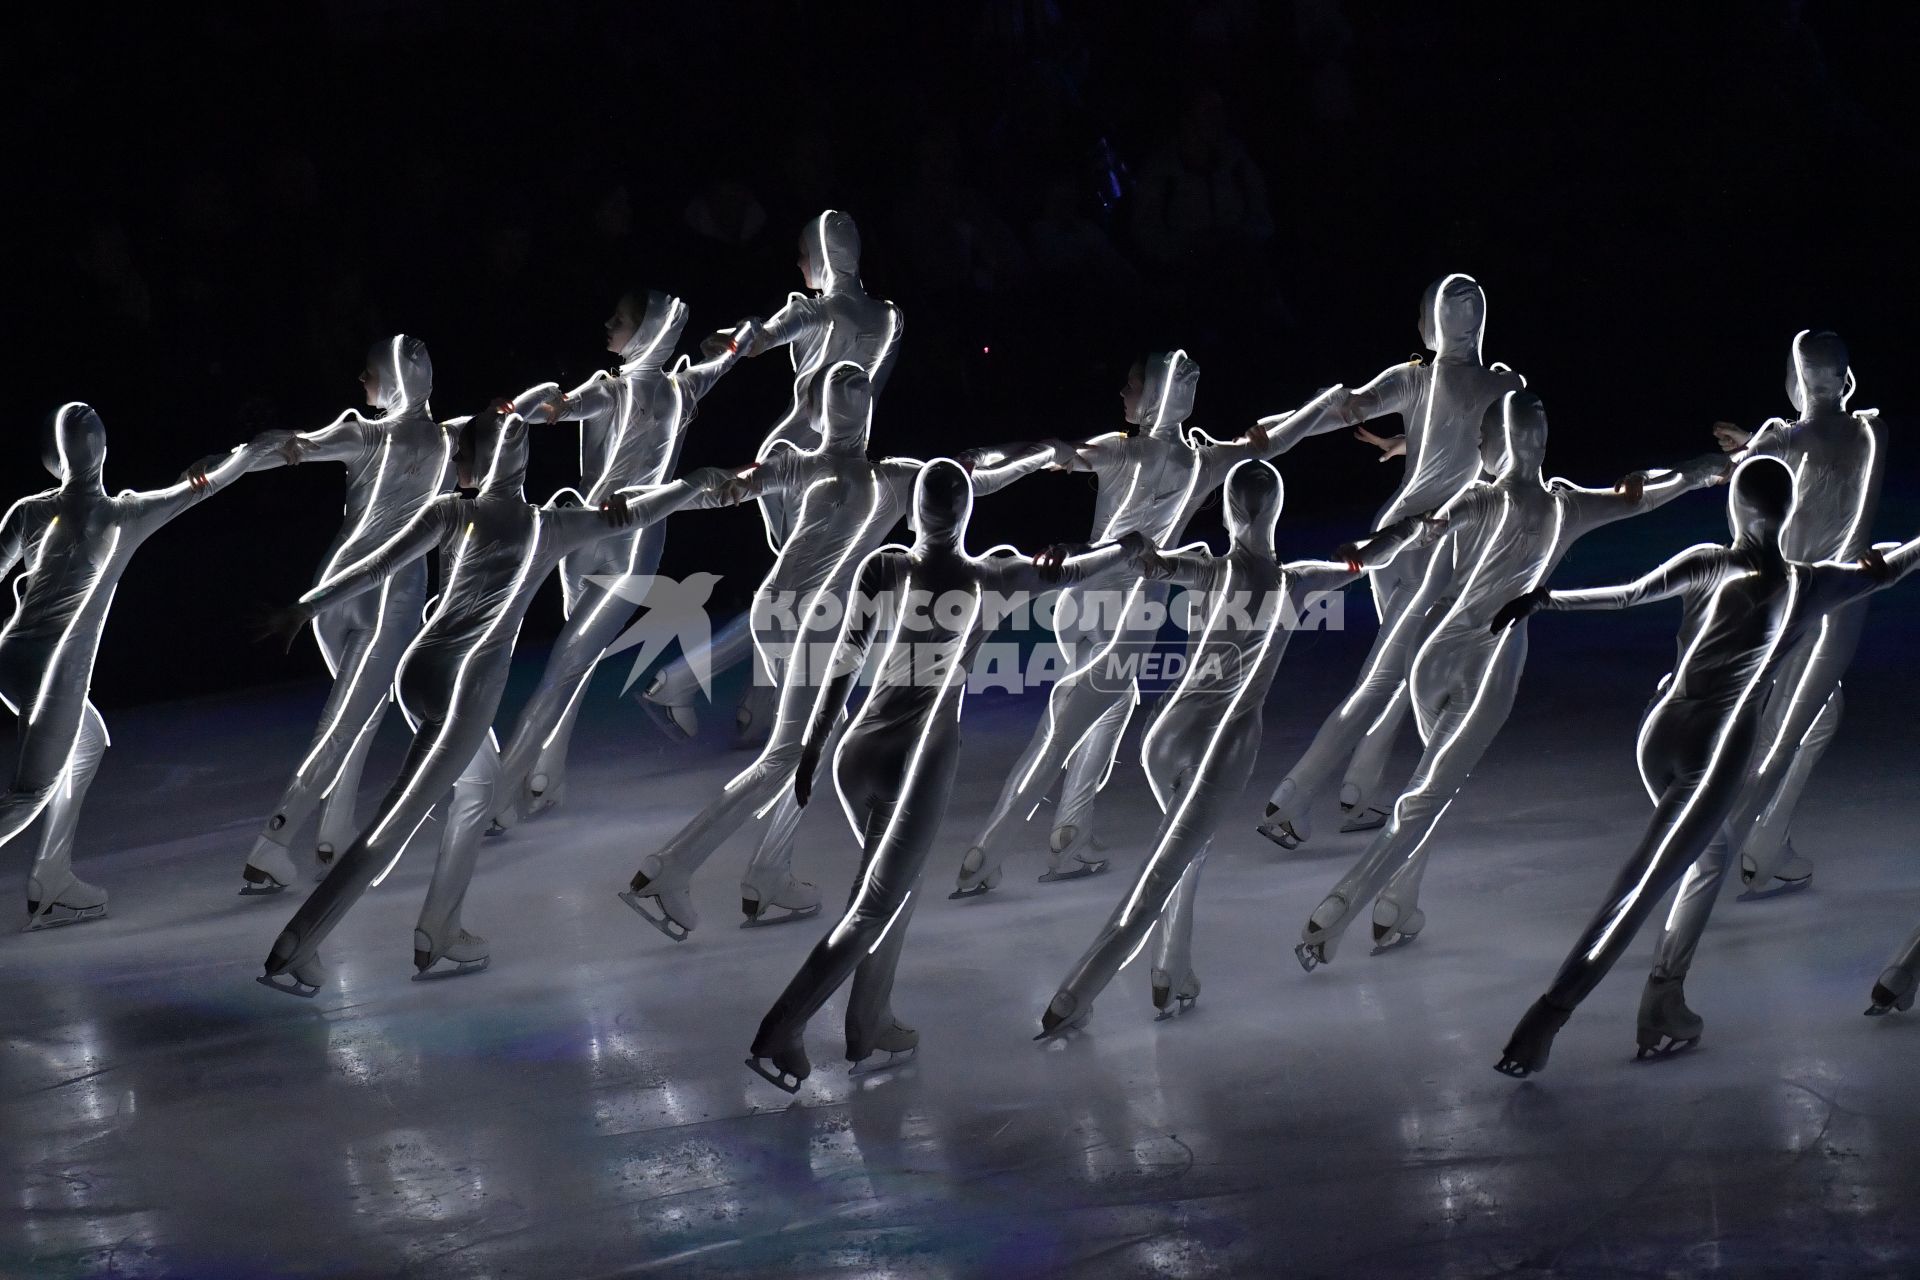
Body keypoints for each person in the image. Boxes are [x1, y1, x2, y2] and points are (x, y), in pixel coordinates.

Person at [255, 401, 726, 995]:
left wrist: (306, 607)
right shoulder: (548, 526)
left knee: (476, 789)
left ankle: (440, 928)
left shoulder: (450, 512)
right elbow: (639, 512)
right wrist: (700, 483)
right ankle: (297, 944)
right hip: (466, 687)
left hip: (419, 671)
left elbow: (376, 565)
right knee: (394, 825)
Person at [1492, 457, 1920, 1076]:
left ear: (1736, 510)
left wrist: (1545, 600)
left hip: (1659, 732)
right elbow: (1896, 565)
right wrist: (1882, 558)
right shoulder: (1810, 583)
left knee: (1709, 856)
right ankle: (1547, 1019)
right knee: (1638, 890)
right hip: (1711, 753)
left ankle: (1666, 1000)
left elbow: (1630, 594)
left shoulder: (1708, 560)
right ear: (1792, 509)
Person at [744, 459, 1150, 1091]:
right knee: (876, 905)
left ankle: (868, 1024)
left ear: (912, 514)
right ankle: (782, 1028)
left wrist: (814, 747)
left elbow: (843, 664)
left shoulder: (882, 567)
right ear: (965, 515)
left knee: (888, 895)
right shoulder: (990, 575)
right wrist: (1125, 546)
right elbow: (1075, 570)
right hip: (919, 757)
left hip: (858, 752)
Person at [622, 362, 1061, 939]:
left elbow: (719, 486)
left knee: (813, 743)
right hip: (816, 620)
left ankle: (767, 872)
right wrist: (1041, 458)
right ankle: (673, 864)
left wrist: (649, 504)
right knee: (788, 755)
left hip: (774, 607)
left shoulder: (796, 463)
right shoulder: (890, 476)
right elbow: (968, 484)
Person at [1294, 392, 1726, 967]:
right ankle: (1337, 910)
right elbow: (1647, 492)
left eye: (1479, 442)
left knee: (1432, 784)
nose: (1476, 451)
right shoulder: (1567, 506)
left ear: (1499, 443)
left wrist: (1367, 552)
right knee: (1425, 796)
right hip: (1489, 663)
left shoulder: (1474, 498)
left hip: (1434, 656)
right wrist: (1711, 469)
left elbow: (1416, 531)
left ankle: (1399, 903)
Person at [1037, 459, 1432, 1038]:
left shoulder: (1206, 570)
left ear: (1227, 512)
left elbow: (1144, 558)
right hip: (1221, 745)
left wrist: (1091, 550)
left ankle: (1173, 972)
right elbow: (1369, 560)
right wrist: (1414, 527)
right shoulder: (1294, 581)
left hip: (1166, 736)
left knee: (1182, 859)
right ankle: (1077, 992)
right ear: (1275, 510)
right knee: (1162, 870)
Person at [951, 349, 1302, 898]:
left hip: (1078, 600)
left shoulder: (1121, 449)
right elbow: (1275, 442)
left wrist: (988, 458)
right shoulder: (1202, 463)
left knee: (1092, 712)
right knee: (1073, 722)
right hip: (1127, 614)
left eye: (1132, 385)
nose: (1122, 394)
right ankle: (1005, 844)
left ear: (1157, 393)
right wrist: (1322, 410)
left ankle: (1067, 831)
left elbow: (1050, 452)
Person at [1256, 275, 1527, 848]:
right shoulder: (1501, 384)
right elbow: (1498, 456)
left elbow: (1347, 410)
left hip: (1398, 531)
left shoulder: (1414, 378)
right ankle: (1292, 796)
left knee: (1399, 673)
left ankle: (1356, 794)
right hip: (1431, 539)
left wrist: (1287, 426)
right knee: (1384, 678)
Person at [2, 403, 288, 926]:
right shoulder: (122, 516)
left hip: (12, 657)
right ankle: (50, 879)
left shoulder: (34, 511)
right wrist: (254, 449)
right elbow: (210, 485)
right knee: (28, 795)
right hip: (52, 673)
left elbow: (198, 486)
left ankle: (52, 877)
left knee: (88, 741)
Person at [638, 211, 904, 745]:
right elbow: (764, 337)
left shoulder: (818, 310)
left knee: (806, 592)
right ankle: (699, 687)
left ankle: (748, 703)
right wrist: (739, 343)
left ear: (824, 254)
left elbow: (761, 335)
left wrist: (735, 344)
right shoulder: (887, 317)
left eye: (804, 251)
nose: (799, 262)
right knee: (808, 593)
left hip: (815, 457)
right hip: (810, 462)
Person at [489, 294, 748, 827]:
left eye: (621, 320)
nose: (608, 325)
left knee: (562, 669)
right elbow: (560, 405)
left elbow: (732, 351)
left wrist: (731, 339)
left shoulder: (673, 388)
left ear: (649, 329)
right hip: (581, 543)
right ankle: (548, 775)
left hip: (629, 547)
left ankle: (495, 801)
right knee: (571, 664)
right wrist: (522, 410)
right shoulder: (616, 388)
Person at [240, 335, 460, 892]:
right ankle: (272, 842)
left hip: (332, 586)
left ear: (396, 377)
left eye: (368, 373)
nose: (360, 384)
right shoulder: (446, 440)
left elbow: (278, 446)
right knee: (344, 720)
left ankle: (333, 834)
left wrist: (224, 468)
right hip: (390, 593)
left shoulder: (362, 435)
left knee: (358, 710)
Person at [1707, 331, 1887, 898]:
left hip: (1787, 591)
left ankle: (1761, 842)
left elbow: (1744, 485)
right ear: (1841, 375)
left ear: (1796, 376)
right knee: (1788, 724)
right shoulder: (1868, 430)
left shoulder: (1784, 437)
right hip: (1838, 595)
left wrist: (1749, 448)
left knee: (1798, 720)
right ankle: (1735, 848)